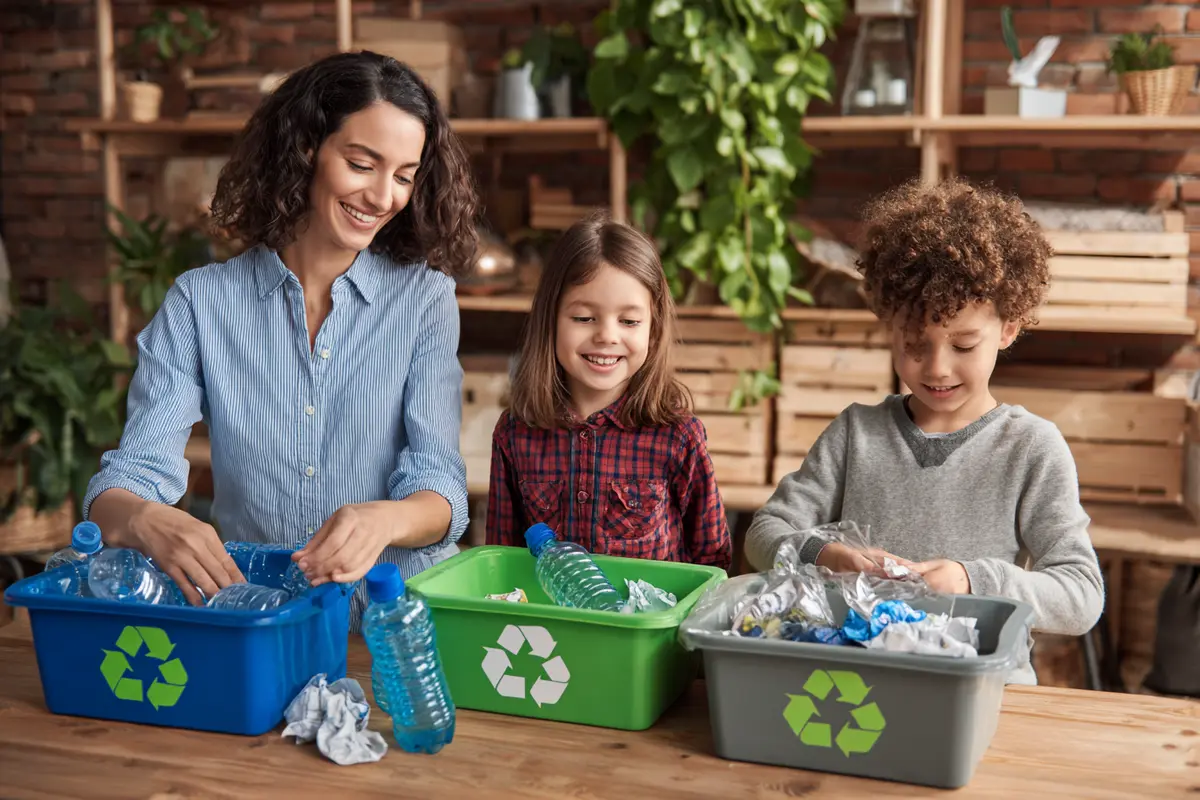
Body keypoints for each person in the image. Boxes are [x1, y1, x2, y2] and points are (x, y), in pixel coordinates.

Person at [84, 51, 479, 628]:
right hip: (262, 619)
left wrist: (383, 522)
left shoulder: (424, 298)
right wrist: (144, 518)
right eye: (362, 163)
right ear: (304, 151)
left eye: (403, 175)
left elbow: (441, 486)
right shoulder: (201, 302)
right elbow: (128, 479)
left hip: (391, 625)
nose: (383, 196)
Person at [745, 177, 1104, 684]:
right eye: (915, 344)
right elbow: (764, 535)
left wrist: (972, 578)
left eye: (962, 346)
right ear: (888, 325)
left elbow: (1081, 595)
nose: (936, 368)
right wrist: (830, 556)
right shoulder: (855, 433)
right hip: (861, 684)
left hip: (985, 693)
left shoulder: (1031, 448)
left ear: (1008, 328)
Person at [485, 214, 731, 569]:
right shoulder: (514, 433)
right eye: (584, 318)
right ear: (550, 319)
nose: (607, 336)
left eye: (629, 321)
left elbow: (713, 562)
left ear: (653, 328)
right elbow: (501, 562)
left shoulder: (679, 437)